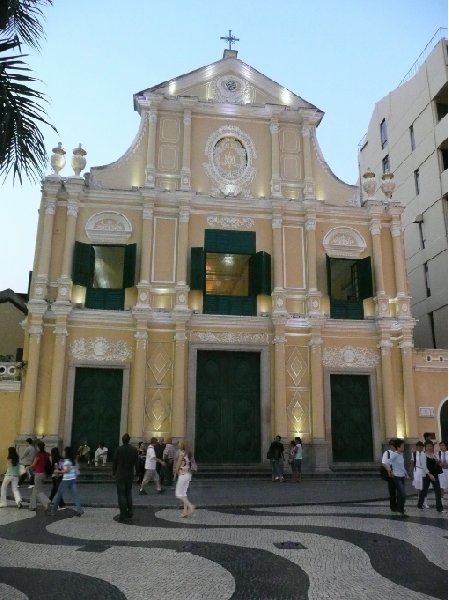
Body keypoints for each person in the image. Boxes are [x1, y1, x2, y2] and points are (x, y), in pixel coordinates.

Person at [112, 433, 139, 523]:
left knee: (121, 495)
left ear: (122, 440)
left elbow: (115, 462)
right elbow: (137, 463)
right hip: (129, 475)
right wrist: (138, 473)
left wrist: (113, 472)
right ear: (129, 440)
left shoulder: (119, 449)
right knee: (128, 494)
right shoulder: (134, 450)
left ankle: (123, 514)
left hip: (120, 475)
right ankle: (130, 511)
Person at [50, 447, 84, 517]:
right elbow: (73, 469)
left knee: (58, 495)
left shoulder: (66, 461)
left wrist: (58, 471)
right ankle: (79, 510)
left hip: (66, 480)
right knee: (75, 495)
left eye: (63, 451)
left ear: (66, 452)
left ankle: (53, 511)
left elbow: (66, 470)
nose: (62, 452)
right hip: (73, 479)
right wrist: (58, 472)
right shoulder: (72, 460)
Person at [417, 441, 444, 513]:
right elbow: (424, 467)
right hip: (426, 475)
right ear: (425, 447)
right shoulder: (423, 455)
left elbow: (437, 465)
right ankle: (420, 505)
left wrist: (439, 463)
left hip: (435, 475)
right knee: (424, 491)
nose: (429, 448)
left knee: (438, 491)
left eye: (431, 446)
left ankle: (439, 508)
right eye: (428, 446)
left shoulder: (434, 455)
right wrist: (429, 475)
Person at [385, 438, 409, 517]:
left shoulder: (401, 455)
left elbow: (402, 466)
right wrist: (389, 470)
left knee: (400, 494)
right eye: (402, 446)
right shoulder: (395, 454)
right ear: (398, 447)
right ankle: (399, 510)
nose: (403, 447)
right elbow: (387, 462)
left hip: (402, 476)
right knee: (402, 494)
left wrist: (406, 474)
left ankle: (400, 511)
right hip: (397, 477)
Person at [28, 441, 51, 512]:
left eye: (37, 447)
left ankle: (46, 502)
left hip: (38, 474)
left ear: (39, 447)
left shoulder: (38, 455)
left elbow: (34, 465)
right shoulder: (47, 454)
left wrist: (28, 467)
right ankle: (32, 506)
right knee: (35, 489)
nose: (36, 448)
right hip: (44, 474)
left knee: (39, 491)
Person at [175, 441, 195, 517]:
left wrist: (175, 473)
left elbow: (178, 465)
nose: (178, 445)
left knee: (178, 494)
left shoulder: (181, 453)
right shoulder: (188, 453)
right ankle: (185, 512)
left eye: (180, 444)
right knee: (183, 493)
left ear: (182, 446)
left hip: (182, 475)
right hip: (188, 474)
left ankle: (191, 506)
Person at [411, 441, 429, 508]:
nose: (419, 448)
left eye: (421, 446)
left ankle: (425, 502)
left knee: (424, 487)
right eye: (418, 446)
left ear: (423, 447)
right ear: (416, 447)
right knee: (418, 487)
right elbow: (412, 463)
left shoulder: (425, 453)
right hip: (416, 471)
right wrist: (412, 473)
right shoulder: (414, 453)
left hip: (424, 470)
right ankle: (420, 501)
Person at [382, 438, 398, 513]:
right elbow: (384, 463)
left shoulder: (398, 453)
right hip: (391, 472)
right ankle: (393, 506)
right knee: (392, 491)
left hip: (398, 472)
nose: (394, 447)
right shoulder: (387, 453)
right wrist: (389, 471)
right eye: (393, 445)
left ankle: (399, 505)